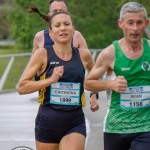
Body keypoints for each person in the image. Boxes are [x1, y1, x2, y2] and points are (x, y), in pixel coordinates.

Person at [18, 11, 99, 150]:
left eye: (67, 24)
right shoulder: (42, 54)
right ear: (51, 32)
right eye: (57, 25)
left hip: (74, 121)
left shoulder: (84, 55)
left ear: (73, 29)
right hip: (47, 122)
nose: (63, 28)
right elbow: (22, 87)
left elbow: (95, 78)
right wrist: (51, 80)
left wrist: (94, 95)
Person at [84, 2, 150, 150]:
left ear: (146, 23)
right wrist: (110, 85)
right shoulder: (110, 53)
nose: (135, 28)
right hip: (116, 127)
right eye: (130, 23)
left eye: (139, 23)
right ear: (121, 24)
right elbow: (88, 83)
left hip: (146, 126)